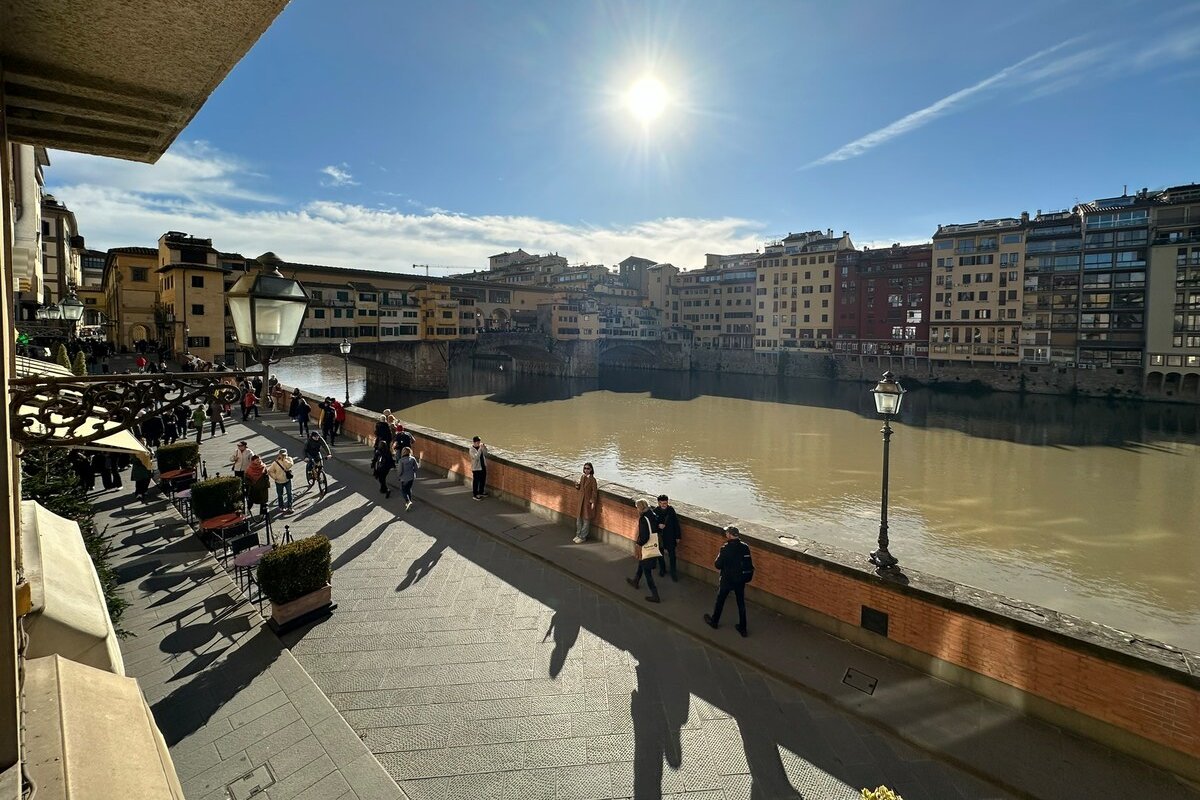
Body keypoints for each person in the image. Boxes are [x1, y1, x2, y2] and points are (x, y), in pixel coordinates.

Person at [704, 525, 754, 637]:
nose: (726, 534)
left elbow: (718, 565)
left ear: (730, 535)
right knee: (741, 603)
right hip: (740, 580)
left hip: (727, 580)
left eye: (727, 533)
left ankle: (714, 621)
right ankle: (743, 628)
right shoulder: (745, 547)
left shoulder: (725, 549)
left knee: (720, 601)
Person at [625, 498, 661, 603]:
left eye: (637, 508)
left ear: (640, 508)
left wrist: (638, 544)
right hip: (654, 544)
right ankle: (636, 580)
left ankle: (655, 595)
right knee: (642, 563)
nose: (637, 510)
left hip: (647, 547)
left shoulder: (643, 518)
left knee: (647, 572)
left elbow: (645, 536)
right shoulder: (652, 514)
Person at [654, 494, 682, 582]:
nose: (664, 505)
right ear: (659, 503)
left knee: (672, 556)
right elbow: (652, 525)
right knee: (660, 554)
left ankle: (673, 572)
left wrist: (678, 536)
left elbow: (676, 524)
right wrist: (658, 526)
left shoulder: (671, 510)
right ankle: (663, 569)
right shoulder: (655, 511)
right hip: (661, 537)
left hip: (670, 536)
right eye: (662, 503)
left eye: (665, 503)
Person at [573, 462, 598, 543]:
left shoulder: (593, 480)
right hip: (581, 501)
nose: (586, 470)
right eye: (585, 468)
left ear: (591, 470)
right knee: (579, 519)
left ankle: (583, 537)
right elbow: (581, 488)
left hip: (587, 502)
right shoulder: (582, 477)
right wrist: (577, 485)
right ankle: (578, 534)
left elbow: (594, 492)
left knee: (586, 520)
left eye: (588, 468)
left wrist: (592, 501)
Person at [267, 448, 295, 513]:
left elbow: (289, 465)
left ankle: (290, 507)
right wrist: (275, 477)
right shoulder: (275, 463)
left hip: (287, 480)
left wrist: (284, 460)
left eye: (284, 454)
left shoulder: (289, 459)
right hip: (279, 482)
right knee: (280, 495)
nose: (282, 456)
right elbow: (270, 471)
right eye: (281, 455)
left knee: (289, 493)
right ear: (279, 454)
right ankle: (281, 506)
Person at [397, 446, 420, 511]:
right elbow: (416, 468)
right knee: (409, 489)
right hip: (411, 477)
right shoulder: (412, 459)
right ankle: (409, 502)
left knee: (403, 490)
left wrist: (399, 476)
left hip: (404, 478)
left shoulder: (401, 460)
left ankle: (408, 501)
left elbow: (400, 471)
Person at [469, 435, 488, 500]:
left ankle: (481, 492)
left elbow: (485, 454)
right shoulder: (471, 450)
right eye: (477, 442)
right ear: (474, 442)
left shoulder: (480, 447)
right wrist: (480, 449)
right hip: (476, 468)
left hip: (483, 466)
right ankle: (475, 495)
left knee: (483, 480)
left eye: (479, 442)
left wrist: (484, 448)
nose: (479, 444)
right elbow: (476, 458)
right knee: (476, 482)